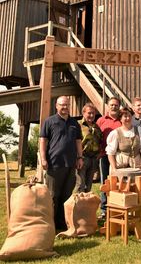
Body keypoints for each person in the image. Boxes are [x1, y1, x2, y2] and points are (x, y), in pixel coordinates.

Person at [39, 96, 83, 231]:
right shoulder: (49, 121)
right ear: (56, 106)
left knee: (67, 195)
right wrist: (43, 158)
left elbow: (78, 141)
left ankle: (63, 223)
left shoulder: (74, 123)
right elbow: (43, 140)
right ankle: (50, 224)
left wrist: (80, 157)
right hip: (54, 163)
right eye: (62, 105)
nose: (64, 107)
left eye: (66, 105)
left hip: (70, 164)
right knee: (53, 195)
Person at [96, 96, 121, 219]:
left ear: (119, 106)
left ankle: (117, 206)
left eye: (116, 105)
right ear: (108, 106)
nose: (113, 107)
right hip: (105, 156)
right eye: (111, 105)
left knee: (119, 182)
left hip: (120, 156)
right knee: (105, 182)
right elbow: (96, 137)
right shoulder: (101, 120)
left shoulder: (123, 120)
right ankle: (104, 209)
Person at [106, 107, 141, 172]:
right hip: (120, 166)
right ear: (120, 119)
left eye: (129, 116)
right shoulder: (115, 133)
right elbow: (110, 152)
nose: (128, 118)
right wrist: (114, 168)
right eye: (125, 116)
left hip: (136, 165)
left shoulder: (138, 130)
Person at [76, 102, 102, 193]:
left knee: (89, 185)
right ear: (83, 113)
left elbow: (100, 141)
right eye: (89, 113)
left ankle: (86, 205)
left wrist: (98, 154)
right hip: (82, 158)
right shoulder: (78, 125)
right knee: (80, 185)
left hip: (93, 159)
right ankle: (78, 206)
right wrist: (78, 157)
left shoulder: (97, 126)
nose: (91, 115)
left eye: (93, 113)